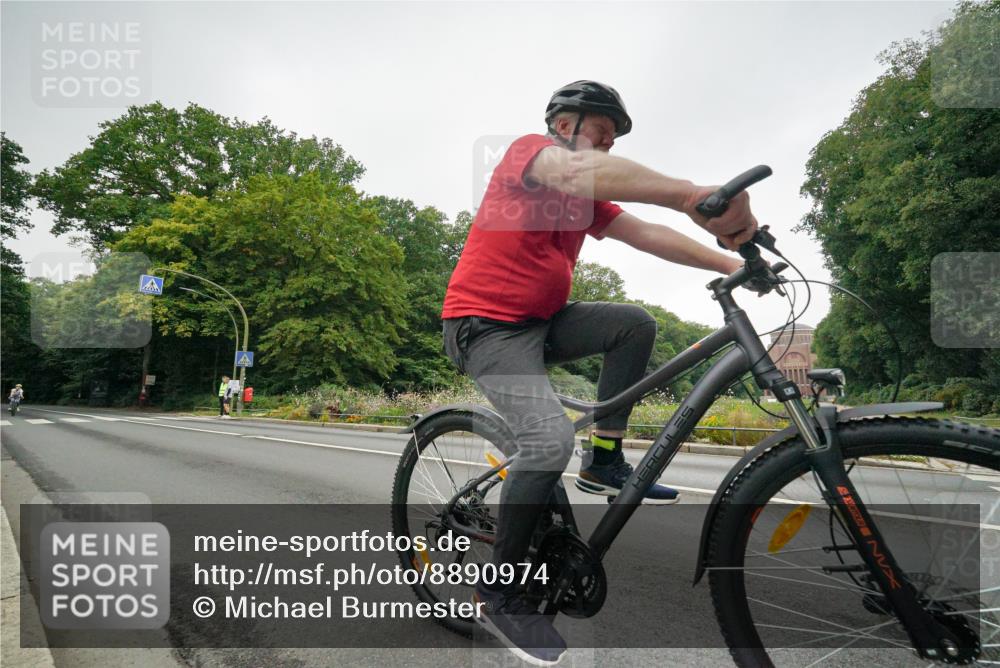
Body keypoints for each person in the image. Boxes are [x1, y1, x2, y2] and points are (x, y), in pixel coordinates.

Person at [441, 80, 757, 665]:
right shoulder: (531, 153)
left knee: (632, 325)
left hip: (542, 323)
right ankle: (499, 592)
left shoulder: (583, 199)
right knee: (547, 439)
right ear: (565, 125)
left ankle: (604, 459)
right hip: (484, 326)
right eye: (602, 134)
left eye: (613, 140)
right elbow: (576, 172)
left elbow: (646, 234)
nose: (608, 147)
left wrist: (734, 264)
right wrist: (690, 194)